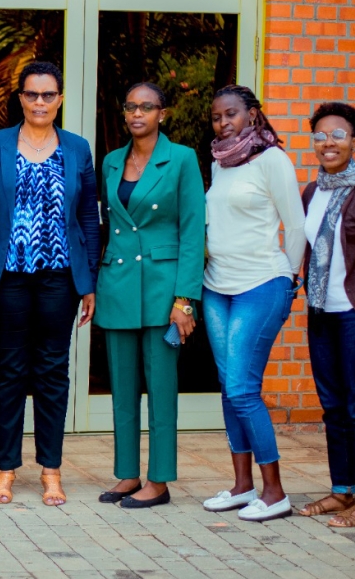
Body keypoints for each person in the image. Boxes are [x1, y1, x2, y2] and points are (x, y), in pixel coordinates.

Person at [0, 62, 99, 506]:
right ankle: (5, 470)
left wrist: (89, 280)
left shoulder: (76, 148)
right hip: (7, 277)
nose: (40, 103)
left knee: (52, 373)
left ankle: (51, 470)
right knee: (7, 373)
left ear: (60, 99)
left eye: (48, 95)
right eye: (32, 95)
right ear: (21, 99)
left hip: (59, 279)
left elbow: (88, 213)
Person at [92, 83, 205, 509]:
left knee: (160, 388)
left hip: (162, 287)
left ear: (163, 113)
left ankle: (159, 480)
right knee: (122, 388)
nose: (137, 113)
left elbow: (193, 232)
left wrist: (185, 299)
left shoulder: (182, 159)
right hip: (119, 283)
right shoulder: (111, 161)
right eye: (130, 106)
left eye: (147, 107)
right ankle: (127, 473)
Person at [201, 84, 305, 522]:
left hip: (262, 283)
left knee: (244, 389)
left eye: (231, 114)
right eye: (217, 117)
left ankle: (275, 491)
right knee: (230, 390)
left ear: (252, 116)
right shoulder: (219, 162)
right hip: (215, 286)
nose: (224, 123)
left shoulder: (273, 160)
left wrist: (290, 281)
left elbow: (295, 225)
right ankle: (243, 486)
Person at [299, 102, 355, 527]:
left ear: (354, 141)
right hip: (320, 310)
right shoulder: (312, 191)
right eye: (320, 136)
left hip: (352, 311)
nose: (328, 143)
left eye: (337, 134)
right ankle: (342, 491)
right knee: (333, 406)